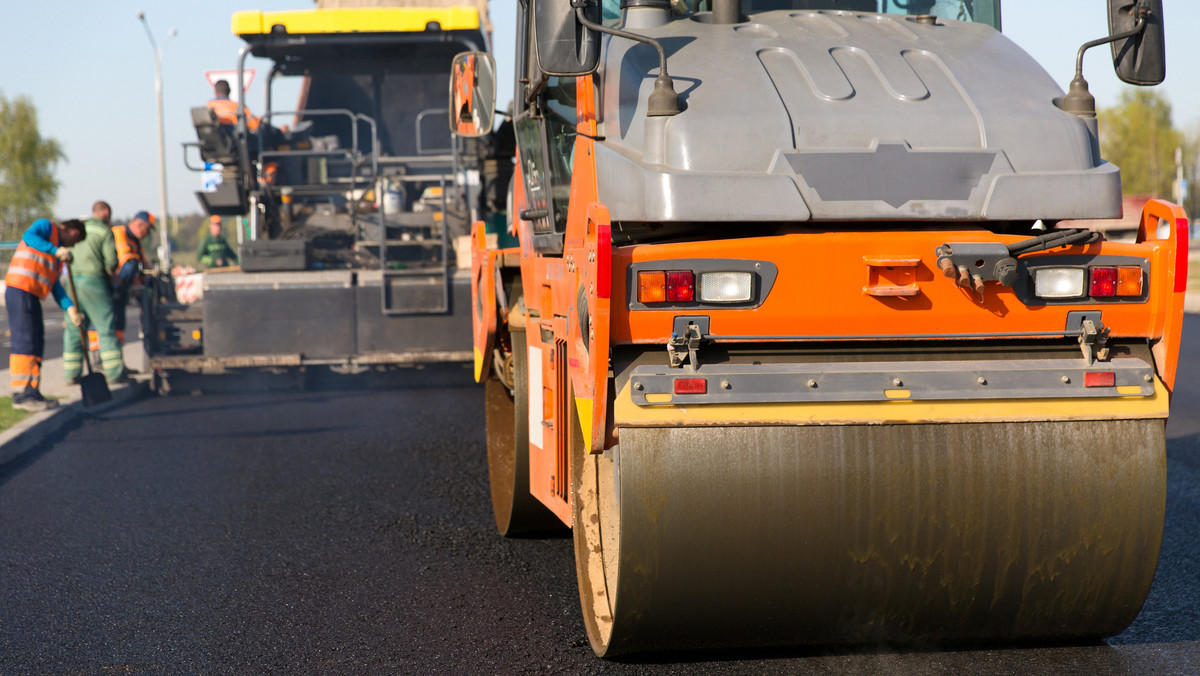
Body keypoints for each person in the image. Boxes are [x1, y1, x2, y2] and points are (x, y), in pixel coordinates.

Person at [4, 218, 86, 411]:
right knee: (25, 340)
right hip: (20, 289)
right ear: (74, 233)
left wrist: (70, 307)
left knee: (36, 341)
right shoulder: (46, 227)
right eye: (74, 243)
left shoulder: (56, 255)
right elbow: (28, 236)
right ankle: (22, 395)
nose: (71, 246)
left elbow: (56, 286)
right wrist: (55, 250)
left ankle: (32, 390)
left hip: (31, 294)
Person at [63, 201, 127, 385]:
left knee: (74, 328)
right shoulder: (104, 231)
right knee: (105, 328)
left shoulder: (79, 229)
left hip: (72, 282)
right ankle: (114, 372)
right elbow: (112, 263)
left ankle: (71, 373)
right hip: (95, 282)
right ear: (106, 213)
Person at [112, 211, 154, 345]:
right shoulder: (120, 232)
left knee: (120, 322)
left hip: (122, 289)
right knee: (108, 321)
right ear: (140, 225)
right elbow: (126, 260)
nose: (147, 234)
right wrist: (136, 275)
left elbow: (144, 265)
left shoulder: (137, 244)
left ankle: (117, 357)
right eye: (147, 230)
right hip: (113, 284)